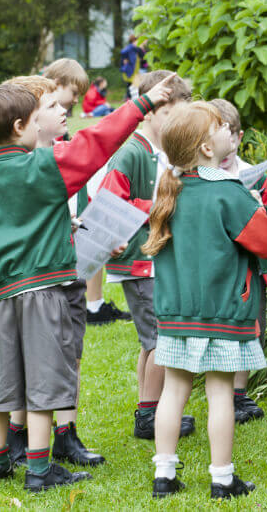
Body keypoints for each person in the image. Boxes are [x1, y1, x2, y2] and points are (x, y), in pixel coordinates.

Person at [0, 75, 175, 491]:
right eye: (42, 116)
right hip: (45, 292)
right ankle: (39, 471)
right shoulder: (44, 165)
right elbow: (97, 142)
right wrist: (143, 103)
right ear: (22, 127)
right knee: (45, 382)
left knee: (1, 381)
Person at [140, 101, 267, 499]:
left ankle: (164, 476)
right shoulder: (229, 193)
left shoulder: (169, 191)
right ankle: (222, 478)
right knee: (220, 392)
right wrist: (259, 208)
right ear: (207, 148)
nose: (230, 132)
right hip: (223, 313)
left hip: (176, 315)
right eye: (222, 128)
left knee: (174, 391)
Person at [0, 75, 106, 470]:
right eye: (58, 104)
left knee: (69, 352)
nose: (67, 110)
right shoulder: (20, 163)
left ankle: (66, 433)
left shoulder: (62, 153)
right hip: (35, 281)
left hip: (70, 269)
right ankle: (19, 434)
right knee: (31, 358)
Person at [99, 70, 195, 440]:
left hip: (153, 259)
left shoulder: (162, 152)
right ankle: (150, 416)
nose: (177, 123)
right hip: (137, 261)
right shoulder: (131, 153)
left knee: (151, 340)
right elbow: (109, 203)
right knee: (160, 339)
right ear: (149, 111)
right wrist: (157, 205)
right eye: (170, 114)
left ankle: (147, 408)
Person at [210, 98, 267, 424]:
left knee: (251, 327)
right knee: (218, 329)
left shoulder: (252, 176)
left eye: (232, 139)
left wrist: (261, 208)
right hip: (217, 270)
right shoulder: (202, 178)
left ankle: (239, 395)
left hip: (251, 270)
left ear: (239, 138)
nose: (227, 149)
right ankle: (219, 390)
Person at [43, 59, 131, 327]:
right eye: (73, 93)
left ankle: (92, 304)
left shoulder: (59, 128)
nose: (74, 101)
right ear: (57, 85)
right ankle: (89, 305)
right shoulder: (43, 131)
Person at [120, 35, 147, 100]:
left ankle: (130, 98)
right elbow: (123, 52)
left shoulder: (135, 48)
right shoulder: (130, 47)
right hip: (130, 70)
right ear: (134, 41)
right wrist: (126, 58)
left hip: (135, 70)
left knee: (133, 86)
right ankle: (129, 98)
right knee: (132, 85)